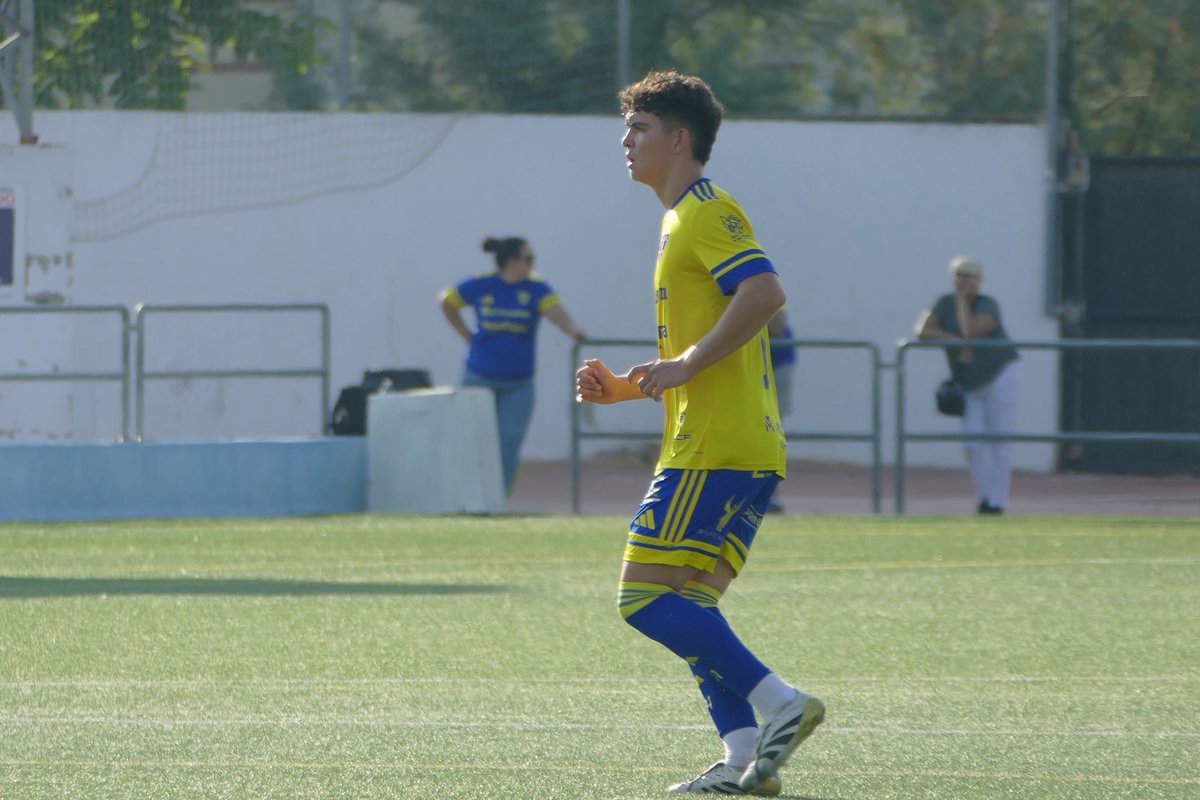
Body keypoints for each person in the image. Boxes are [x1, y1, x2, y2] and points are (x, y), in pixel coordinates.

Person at [575, 70, 824, 797]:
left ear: (679, 139)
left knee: (642, 600)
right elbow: (707, 351)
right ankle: (745, 758)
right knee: (690, 602)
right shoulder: (680, 218)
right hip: (740, 444)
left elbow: (766, 293)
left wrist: (684, 362)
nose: (626, 142)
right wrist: (633, 387)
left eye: (639, 129)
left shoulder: (703, 211)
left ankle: (782, 705)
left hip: (715, 447)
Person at [439, 236, 586, 495]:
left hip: (518, 382)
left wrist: (573, 330)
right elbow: (447, 301)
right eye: (528, 259)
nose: (532, 264)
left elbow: (556, 312)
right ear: (512, 261)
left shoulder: (536, 289)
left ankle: (497, 497)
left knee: (508, 441)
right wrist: (466, 335)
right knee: (473, 440)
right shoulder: (482, 284)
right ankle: (467, 497)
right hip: (478, 375)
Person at [914, 255, 1021, 514]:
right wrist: (949, 336)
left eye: (968, 276)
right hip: (970, 382)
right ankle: (984, 498)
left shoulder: (988, 304)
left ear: (980, 280)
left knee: (1000, 442)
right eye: (958, 276)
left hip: (999, 375)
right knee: (971, 444)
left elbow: (971, 332)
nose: (962, 281)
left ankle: (998, 501)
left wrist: (962, 305)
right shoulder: (944, 303)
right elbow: (922, 331)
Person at [764, 310, 796, 514]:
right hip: (750, 365)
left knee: (769, 434)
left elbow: (777, 325)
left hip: (775, 365)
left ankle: (770, 495)